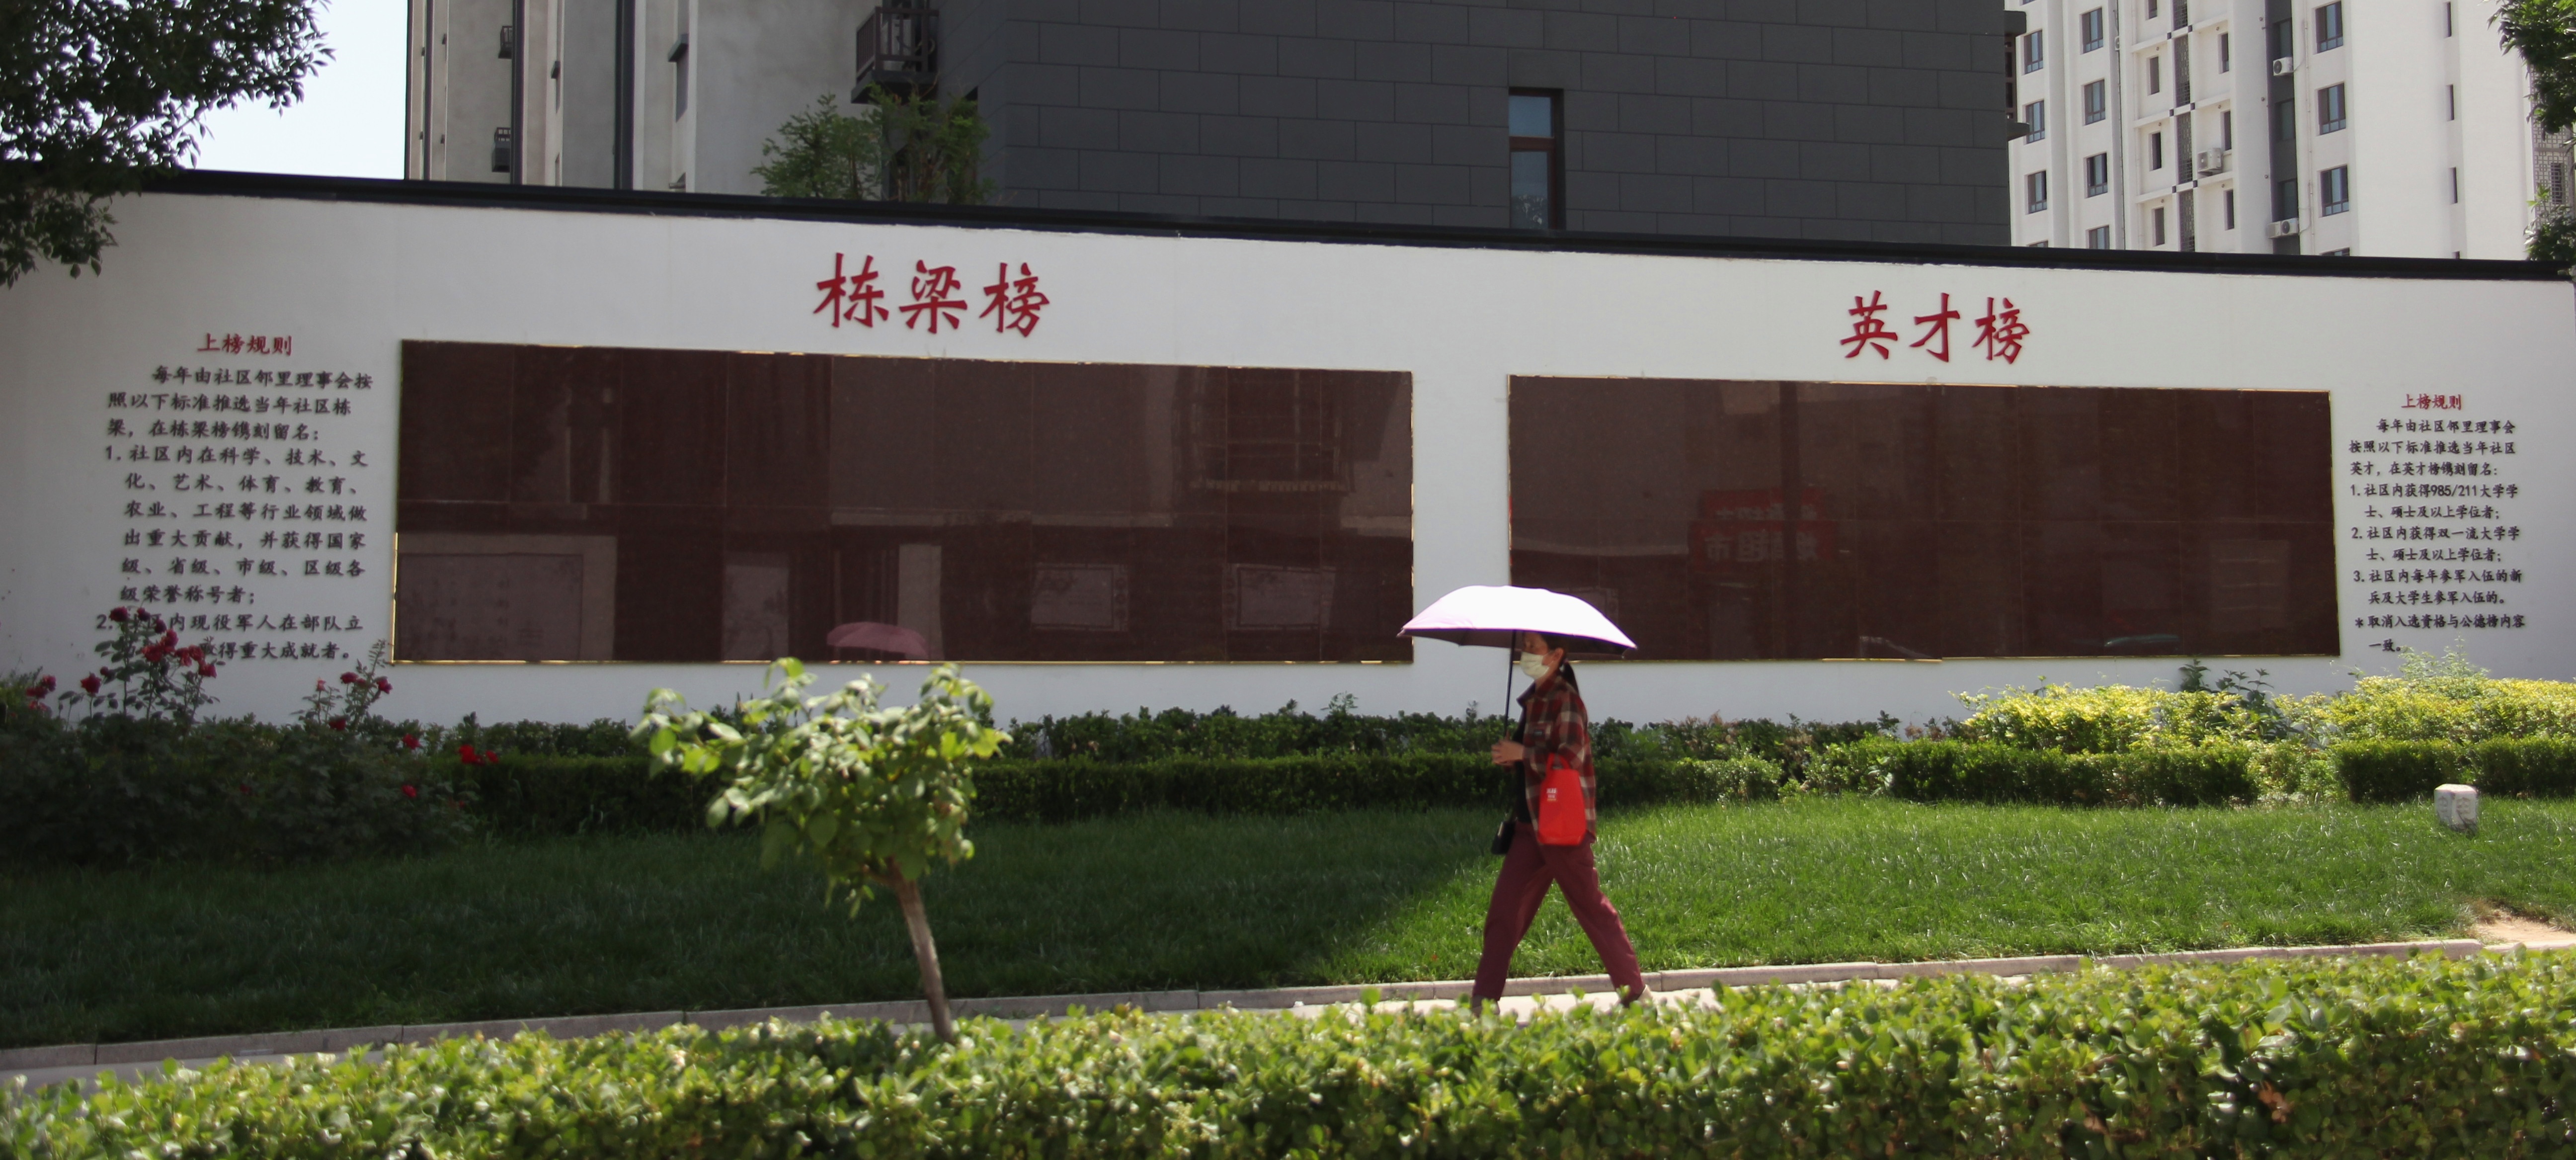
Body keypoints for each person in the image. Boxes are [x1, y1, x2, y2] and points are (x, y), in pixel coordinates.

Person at [1470, 630, 1649, 1010]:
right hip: (1529, 826)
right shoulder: (1533, 700)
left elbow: (1569, 760)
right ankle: (1484, 1001)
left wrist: (1522, 753)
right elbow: (1533, 759)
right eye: (1524, 647)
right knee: (1504, 912)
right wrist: (1509, 757)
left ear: (1556, 655)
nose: (1525, 653)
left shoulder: (1566, 701)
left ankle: (1636, 995)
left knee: (1592, 910)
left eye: (1533, 647)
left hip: (1562, 828)